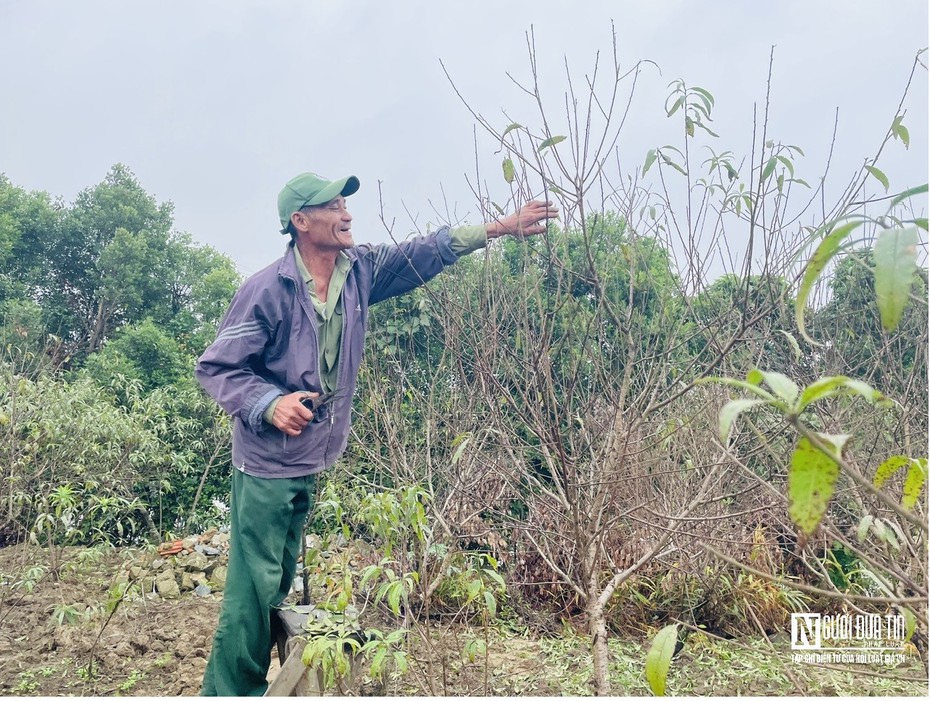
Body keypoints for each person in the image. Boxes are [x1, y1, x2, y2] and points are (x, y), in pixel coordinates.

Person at [195, 171, 558, 696]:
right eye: (334, 206)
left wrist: (501, 228)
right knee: (252, 590)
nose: (347, 215)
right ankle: (228, 693)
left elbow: (426, 251)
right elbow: (218, 367)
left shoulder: (360, 271)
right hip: (267, 463)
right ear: (301, 222)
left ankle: (266, 683)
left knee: (275, 582)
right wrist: (270, 404)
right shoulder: (267, 290)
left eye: (346, 205)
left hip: (311, 456)